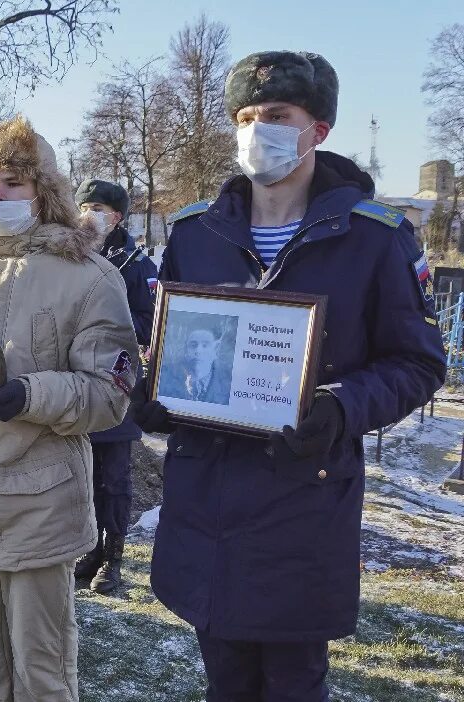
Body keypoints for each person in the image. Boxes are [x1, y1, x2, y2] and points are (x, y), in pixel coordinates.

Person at [135, 51, 446, 701]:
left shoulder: (375, 236)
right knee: (225, 679)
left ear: (319, 128)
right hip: (206, 505)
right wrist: (158, 391)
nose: (257, 130)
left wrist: (340, 406)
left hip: (302, 506)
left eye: (277, 115)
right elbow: (179, 341)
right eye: (245, 116)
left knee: (292, 684)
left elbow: (418, 362)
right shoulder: (197, 233)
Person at [0, 115, 137, 700]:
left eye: (12, 181)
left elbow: (111, 394)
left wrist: (32, 395)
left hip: (40, 501)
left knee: (43, 672)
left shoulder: (87, 277)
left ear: (43, 190)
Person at [74, 178, 159, 593]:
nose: (91, 215)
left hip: (116, 379)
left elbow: (149, 322)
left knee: (115, 478)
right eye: (85, 206)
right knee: (83, 474)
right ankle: (89, 550)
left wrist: (104, 328)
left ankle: (114, 559)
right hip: (73, 381)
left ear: (118, 217)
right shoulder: (68, 253)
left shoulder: (136, 264)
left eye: (99, 209)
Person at [157, 324, 231, 404]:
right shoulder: (163, 378)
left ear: (216, 349)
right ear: (185, 348)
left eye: (205, 345)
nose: (198, 351)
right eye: (193, 345)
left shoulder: (228, 385)